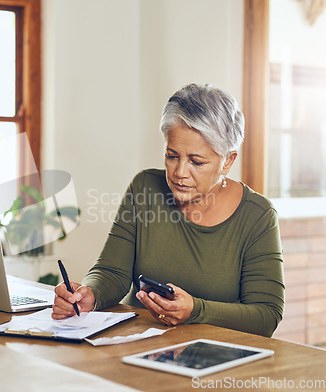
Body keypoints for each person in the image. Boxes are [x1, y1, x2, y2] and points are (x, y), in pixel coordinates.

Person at [52, 83, 285, 338]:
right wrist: (91, 295)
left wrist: (196, 310)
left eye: (196, 161)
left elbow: (266, 315)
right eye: (172, 156)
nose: (180, 173)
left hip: (215, 361)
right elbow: (112, 271)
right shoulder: (145, 187)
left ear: (228, 161)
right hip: (136, 345)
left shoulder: (258, 216)